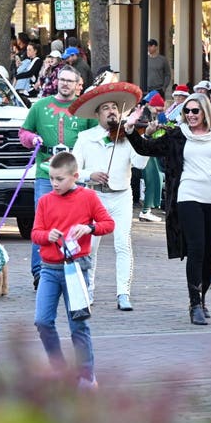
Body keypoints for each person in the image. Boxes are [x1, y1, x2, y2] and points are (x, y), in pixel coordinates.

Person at [124, 94, 211, 325]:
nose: (190, 115)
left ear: (205, 112)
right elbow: (147, 148)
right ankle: (194, 302)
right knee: (196, 248)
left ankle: (203, 297)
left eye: (195, 111)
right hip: (188, 195)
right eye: (187, 111)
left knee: (210, 253)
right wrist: (129, 131)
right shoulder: (177, 136)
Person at [30, 151, 114, 389]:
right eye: (52, 178)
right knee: (42, 320)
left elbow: (108, 224)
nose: (54, 184)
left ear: (75, 176)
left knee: (78, 324)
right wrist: (48, 235)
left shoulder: (88, 197)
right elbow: (35, 233)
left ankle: (86, 375)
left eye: (60, 179)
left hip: (76, 269)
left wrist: (89, 228)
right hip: (49, 268)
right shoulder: (46, 200)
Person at [70, 82, 147, 312]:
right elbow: (73, 171)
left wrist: (144, 141)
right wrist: (89, 175)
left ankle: (123, 292)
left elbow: (140, 162)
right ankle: (88, 291)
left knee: (123, 244)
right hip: (94, 197)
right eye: (106, 108)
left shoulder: (127, 135)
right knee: (90, 246)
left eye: (115, 107)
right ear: (97, 114)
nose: (111, 111)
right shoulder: (85, 137)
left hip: (121, 196)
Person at [19, 65, 93, 288]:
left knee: (75, 220)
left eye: (70, 81)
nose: (65, 84)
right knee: (42, 221)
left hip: (73, 173)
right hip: (45, 171)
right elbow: (23, 132)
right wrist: (32, 139)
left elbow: (95, 136)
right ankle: (39, 272)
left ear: (78, 85)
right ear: (56, 81)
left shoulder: (84, 109)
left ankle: (71, 267)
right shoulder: (40, 106)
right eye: (62, 79)